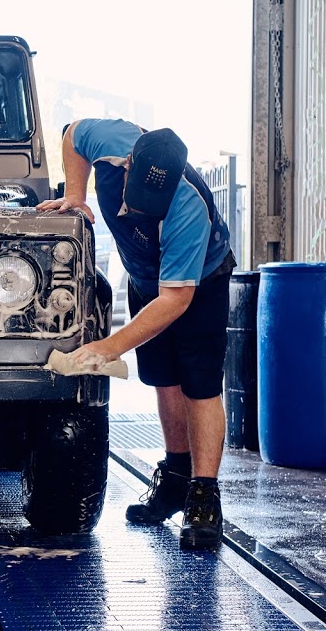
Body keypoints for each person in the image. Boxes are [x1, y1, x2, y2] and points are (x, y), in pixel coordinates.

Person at [37, 118, 235, 551]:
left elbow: (176, 301)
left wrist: (109, 347)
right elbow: (72, 134)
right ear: (127, 165)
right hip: (146, 278)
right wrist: (75, 193)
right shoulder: (111, 140)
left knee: (199, 384)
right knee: (163, 379)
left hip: (197, 283)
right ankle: (175, 479)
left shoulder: (187, 208)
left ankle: (204, 496)